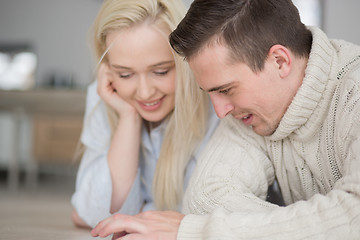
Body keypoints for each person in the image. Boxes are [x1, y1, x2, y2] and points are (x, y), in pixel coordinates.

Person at [90, 0, 360, 239]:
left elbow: (353, 217)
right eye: (210, 93)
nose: (220, 112)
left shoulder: (354, 91)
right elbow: (206, 199)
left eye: (226, 89)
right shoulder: (252, 113)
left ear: (279, 61)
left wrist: (193, 232)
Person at [71, 0, 219, 229]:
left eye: (160, 71)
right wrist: (128, 118)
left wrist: (140, 212)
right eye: (125, 75)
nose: (145, 92)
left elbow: (217, 212)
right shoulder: (106, 94)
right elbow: (91, 213)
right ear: (108, 69)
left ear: (184, 60)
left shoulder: (216, 102)